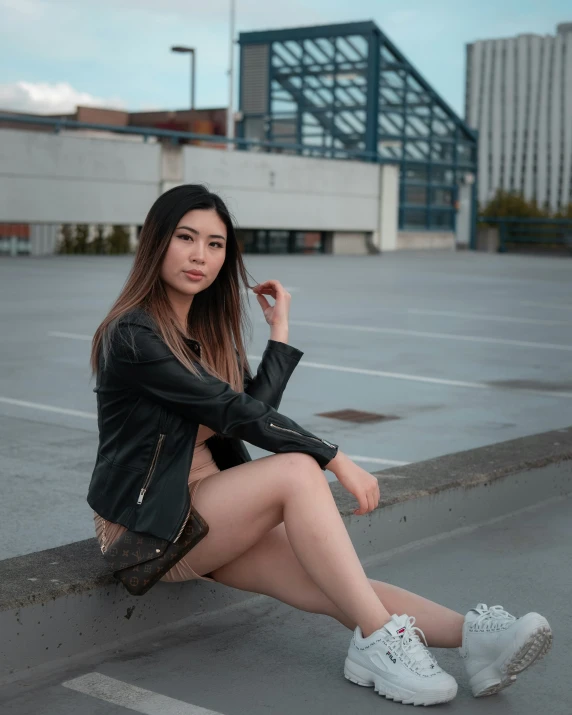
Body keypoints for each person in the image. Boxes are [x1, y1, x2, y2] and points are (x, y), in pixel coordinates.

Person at [87, 184, 552, 707]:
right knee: (297, 471)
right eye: (186, 238)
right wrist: (334, 457)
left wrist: (279, 337)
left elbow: (237, 416)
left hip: (206, 510)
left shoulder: (205, 330)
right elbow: (230, 410)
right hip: (145, 527)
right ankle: (380, 644)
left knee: (338, 585)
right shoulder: (133, 334)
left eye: (215, 244)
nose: (201, 256)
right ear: (157, 243)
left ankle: (475, 640)